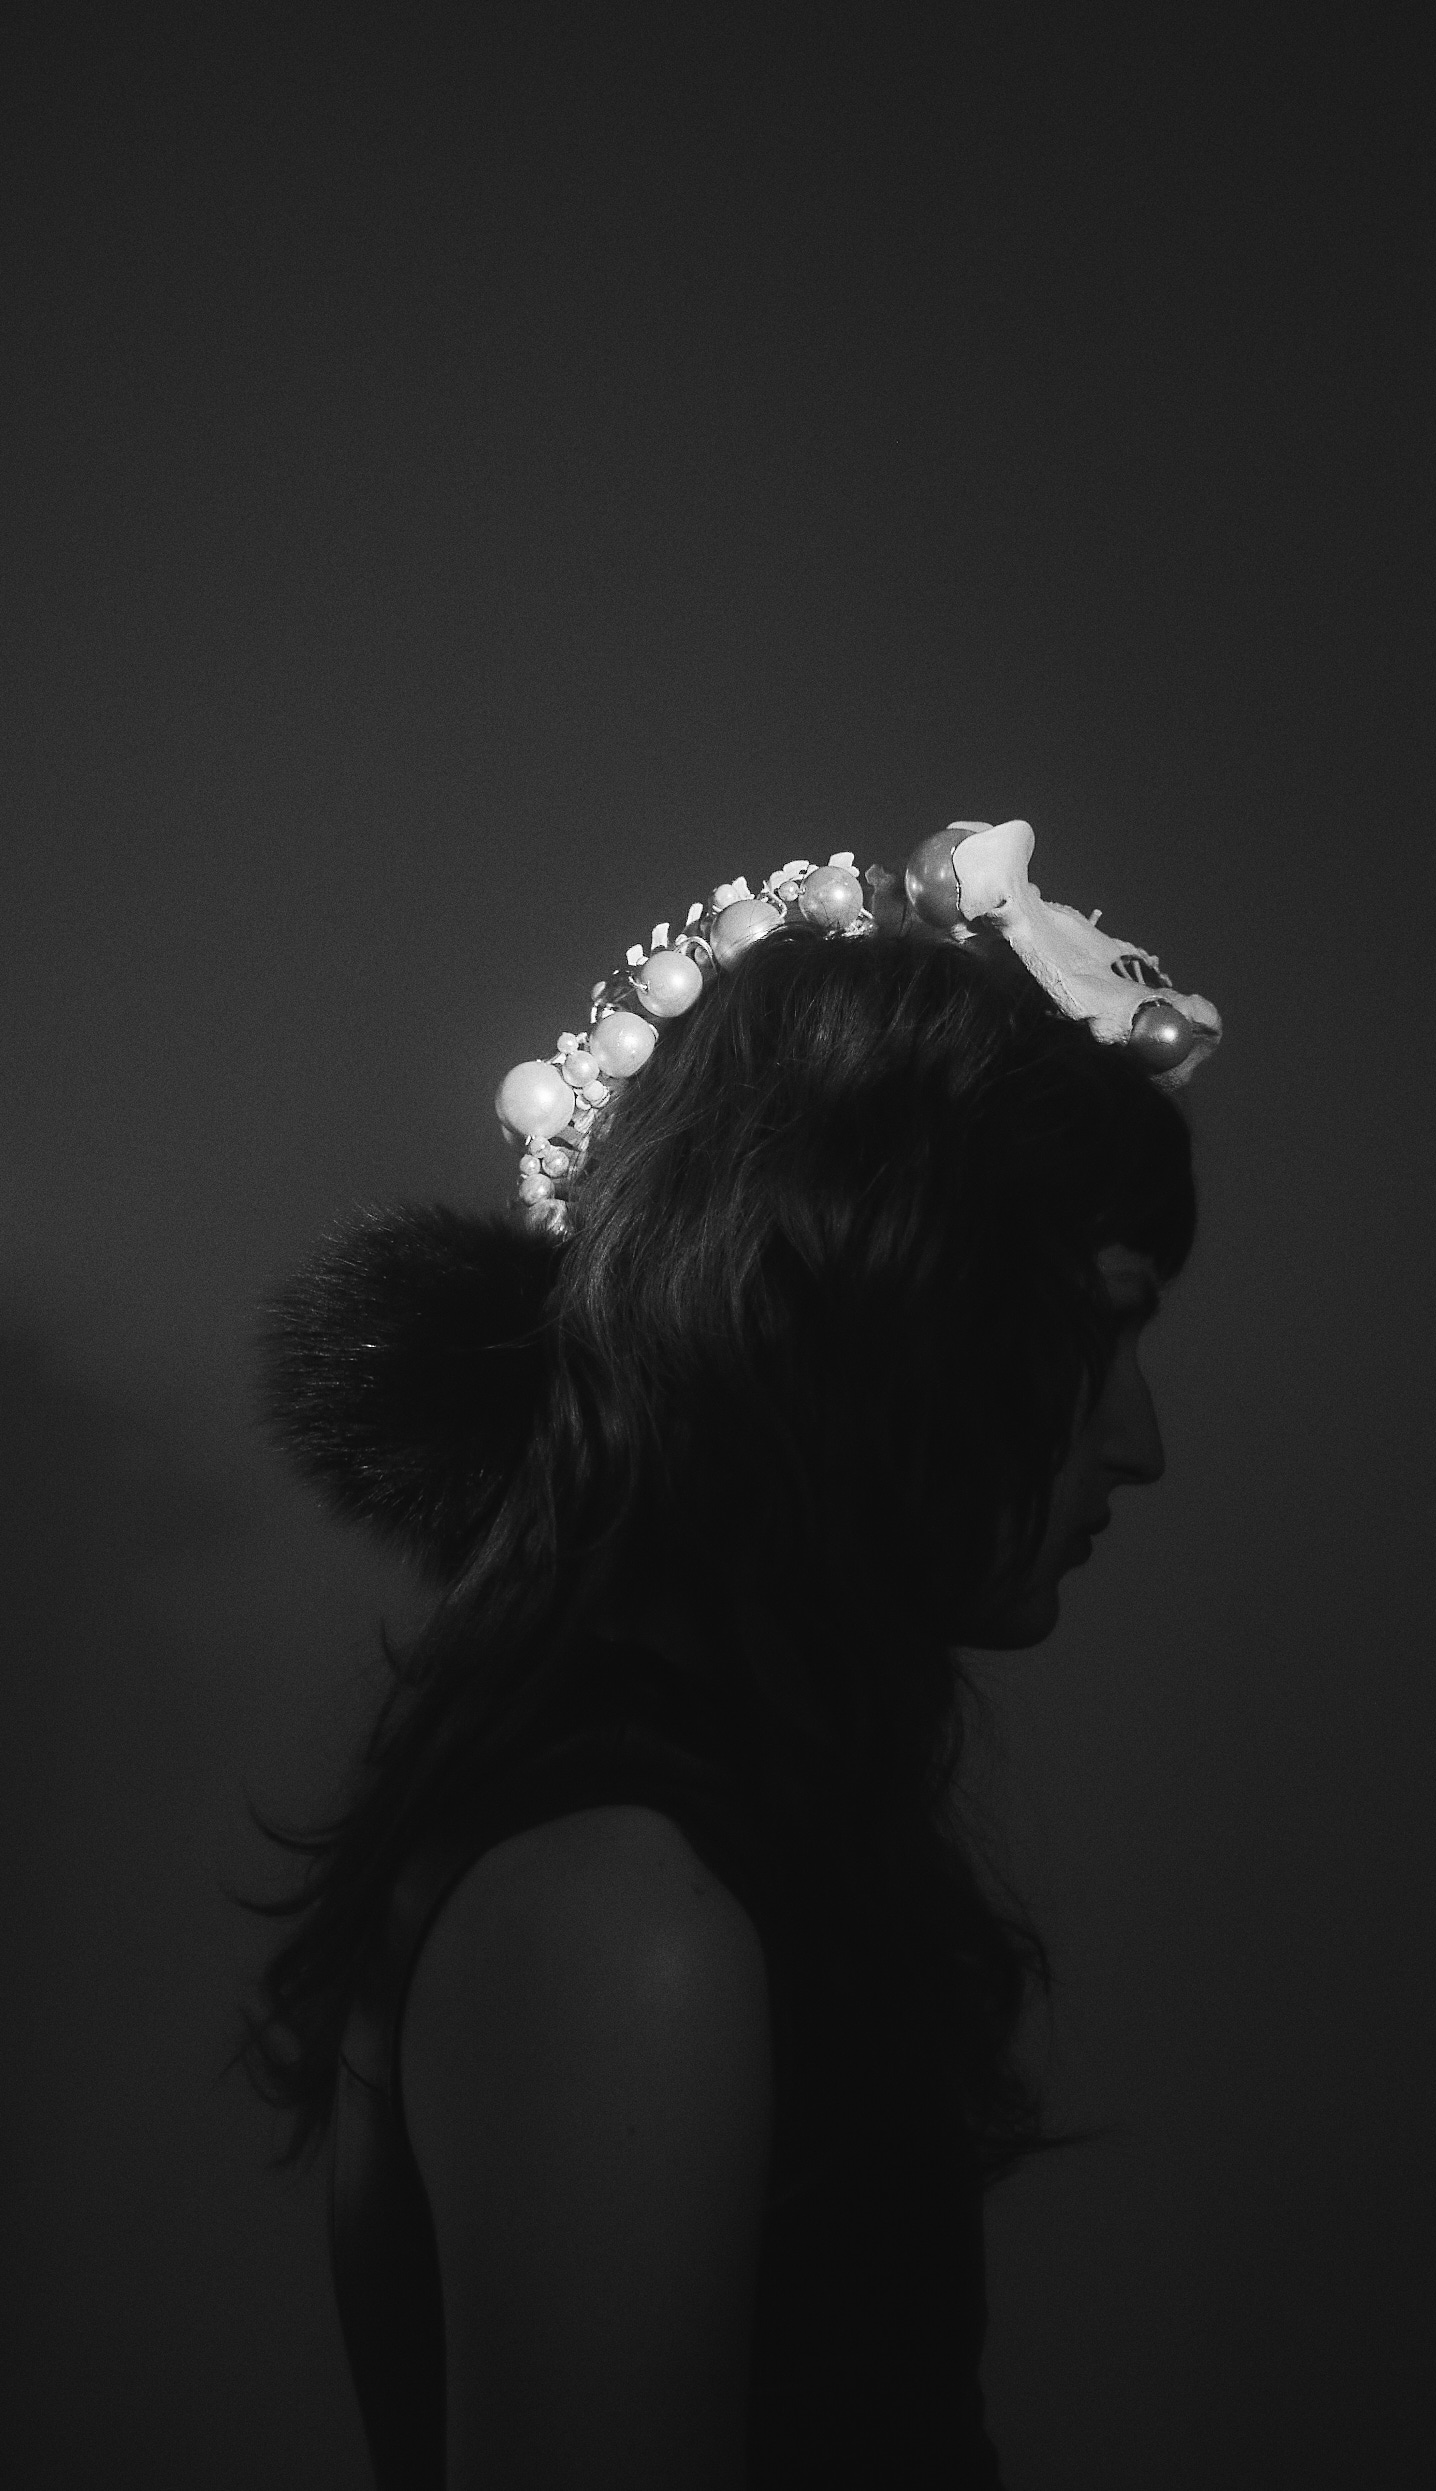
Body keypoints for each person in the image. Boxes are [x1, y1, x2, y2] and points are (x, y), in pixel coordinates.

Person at [237, 820, 1220, 2490]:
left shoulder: (705, 1843)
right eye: (1105, 1325)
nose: (1141, 1444)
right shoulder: (625, 1915)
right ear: (882, 1314)